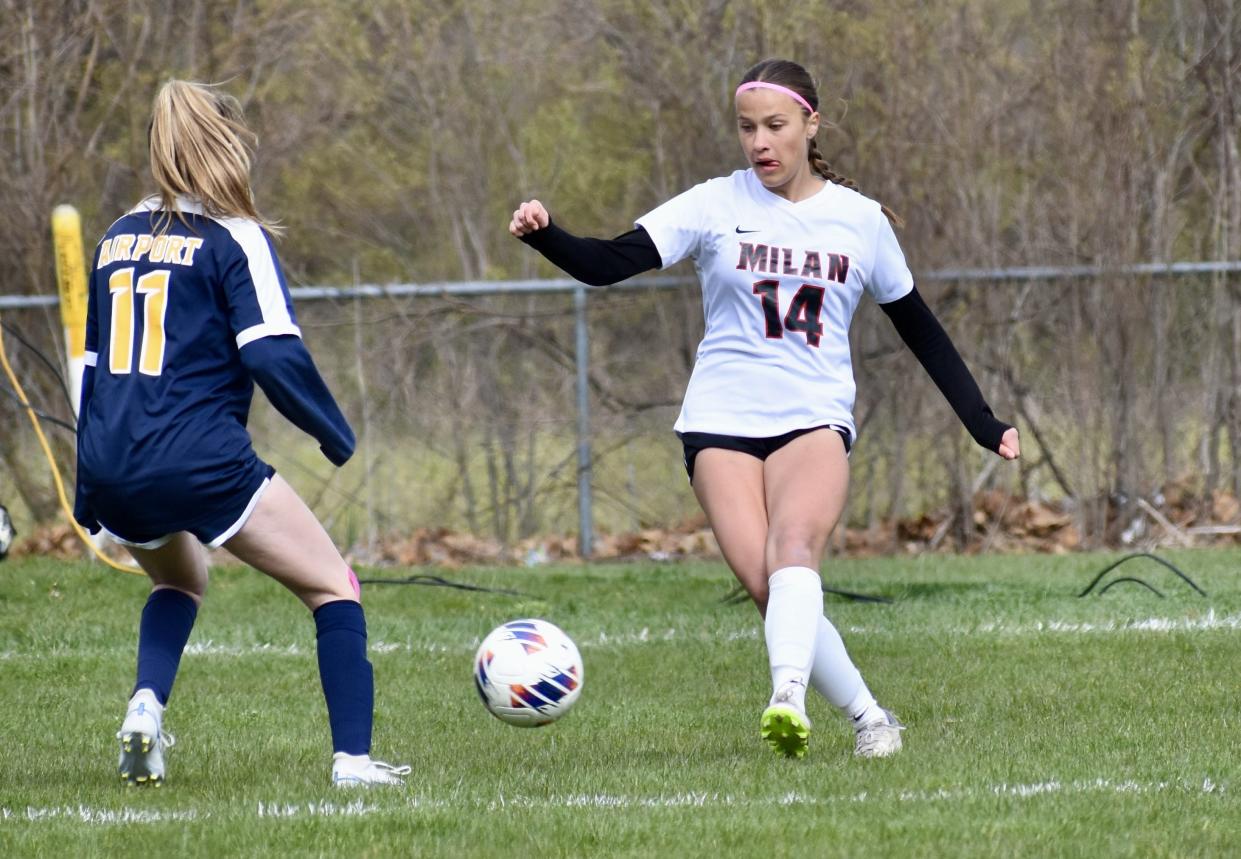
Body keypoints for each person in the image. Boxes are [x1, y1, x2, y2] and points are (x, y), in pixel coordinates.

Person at [510, 58, 1020, 760]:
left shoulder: (860, 220)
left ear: (811, 124)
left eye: (775, 126)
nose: (759, 142)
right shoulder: (715, 203)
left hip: (811, 416)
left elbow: (918, 327)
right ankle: (871, 716)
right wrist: (545, 232)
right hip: (719, 419)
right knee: (766, 586)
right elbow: (606, 263)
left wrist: (982, 421)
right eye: (747, 128)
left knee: (792, 553)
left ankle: (786, 695)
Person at [74, 80, 408, 788]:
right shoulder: (233, 236)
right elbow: (270, 353)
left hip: (114, 461)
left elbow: (94, 372)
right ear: (226, 145)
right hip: (198, 459)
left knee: (182, 580)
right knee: (334, 587)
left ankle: (145, 705)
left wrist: (86, 487)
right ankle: (352, 760)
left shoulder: (114, 237)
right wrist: (333, 431)